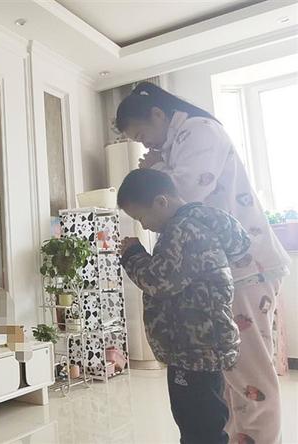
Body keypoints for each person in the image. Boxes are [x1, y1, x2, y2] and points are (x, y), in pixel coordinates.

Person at [116, 82, 290, 444]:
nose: (145, 145)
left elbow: (184, 191)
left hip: (246, 269)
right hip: (234, 267)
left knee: (250, 376)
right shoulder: (180, 143)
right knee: (228, 379)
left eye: (142, 135)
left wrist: (156, 167)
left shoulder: (199, 132)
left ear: (158, 115)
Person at [118, 169, 250, 444]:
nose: (144, 226)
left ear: (161, 202)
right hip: (199, 346)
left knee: (197, 426)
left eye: (141, 218)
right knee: (204, 421)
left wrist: (133, 254)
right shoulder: (196, 225)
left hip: (193, 348)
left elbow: (158, 280)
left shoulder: (182, 230)